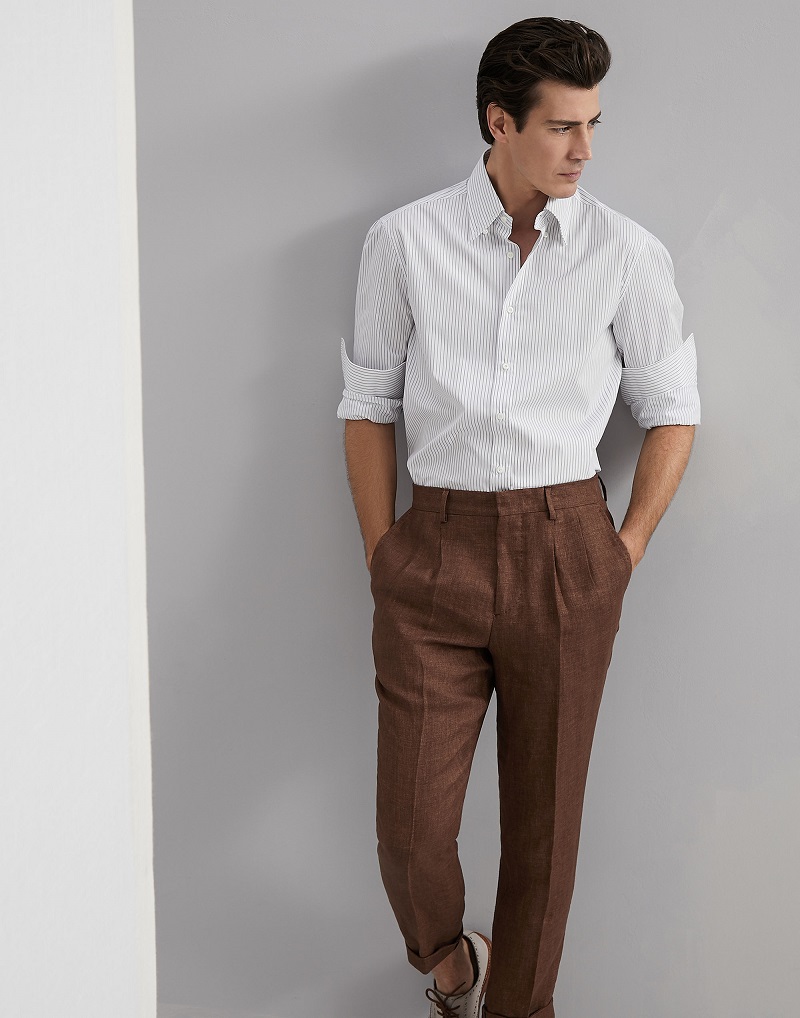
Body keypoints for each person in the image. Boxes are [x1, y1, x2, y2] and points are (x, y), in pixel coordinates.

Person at [336, 16, 700, 1018]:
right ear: (499, 123)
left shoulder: (626, 253)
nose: (584, 150)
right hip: (433, 552)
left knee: (544, 831)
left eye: (593, 124)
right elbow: (367, 405)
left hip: (567, 549)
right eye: (560, 127)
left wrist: (620, 551)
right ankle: (453, 966)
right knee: (410, 831)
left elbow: (671, 410)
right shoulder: (403, 241)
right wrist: (382, 551)